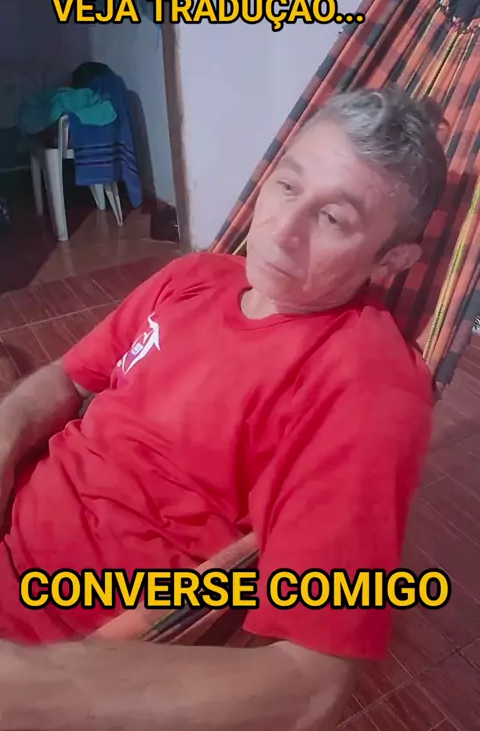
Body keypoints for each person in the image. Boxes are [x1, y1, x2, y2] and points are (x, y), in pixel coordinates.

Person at [0, 86, 447, 730]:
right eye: (288, 186)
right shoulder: (195, 276)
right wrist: (8, 429)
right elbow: (68, 376)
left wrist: (31, 687)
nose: (282, 232)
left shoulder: (365, 386)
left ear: (391, 260)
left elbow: (312, 682)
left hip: (57, 642)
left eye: (333, 219)